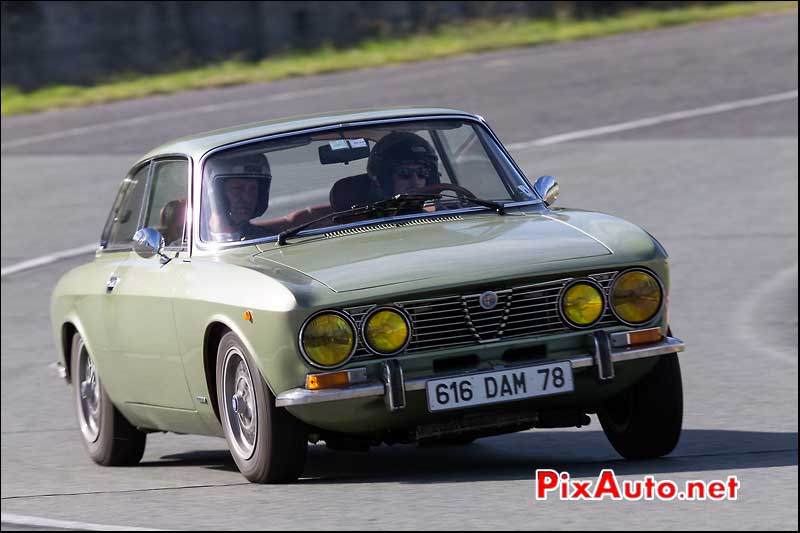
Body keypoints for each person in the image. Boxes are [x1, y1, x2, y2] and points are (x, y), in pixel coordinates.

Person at [206, 153, 272, 242]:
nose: (247, 198)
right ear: (217, 192)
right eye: (237, 189)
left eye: (253, 189)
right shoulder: (186, 238)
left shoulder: (265, 240)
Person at [366, 132, 440, 198]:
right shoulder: (369, 213)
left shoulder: (442, 211)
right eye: (404, 172)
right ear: (383, 179)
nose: (415, 182)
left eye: (422, 172)